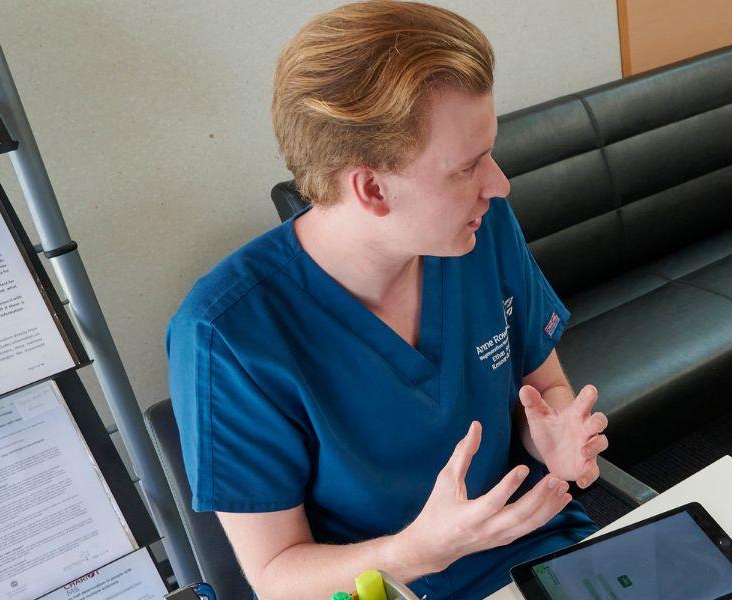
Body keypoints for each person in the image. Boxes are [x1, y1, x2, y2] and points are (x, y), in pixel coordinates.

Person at [165, 3, 607, 598]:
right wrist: (422, 550)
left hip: (538, 557)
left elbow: (542, 386)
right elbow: (275, 577)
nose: (498, 184)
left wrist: (549, 436)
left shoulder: (483, 231)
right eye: (468, 167)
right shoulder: (228, 334)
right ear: (371, 188)